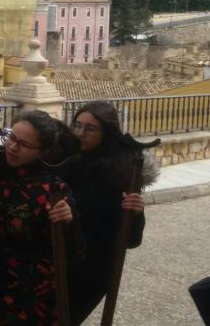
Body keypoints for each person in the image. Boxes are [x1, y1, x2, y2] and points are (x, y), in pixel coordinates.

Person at [0, 110, 80, 325]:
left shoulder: (54, 188)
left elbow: (74, 249)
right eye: (11, 138)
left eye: (24, 145)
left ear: (43, 152)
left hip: (33, 292)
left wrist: (68, 220)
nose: (13, 147)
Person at [64, 101, 158, 325]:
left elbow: (131, 239)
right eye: (77, 125)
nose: (80, 133)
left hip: (91, 268)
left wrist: (135, 213)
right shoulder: (66, 162)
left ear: (106, 133)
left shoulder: (119, 175)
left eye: (89, 128)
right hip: (55, 259)